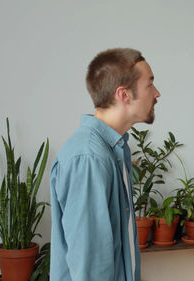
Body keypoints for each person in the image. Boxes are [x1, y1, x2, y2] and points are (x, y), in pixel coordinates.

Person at [50, 48, 160, 281]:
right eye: (149, 84)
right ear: (124, 94)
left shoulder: (115, 149)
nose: (157, 93)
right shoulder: (89, 159)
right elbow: (90, 266)